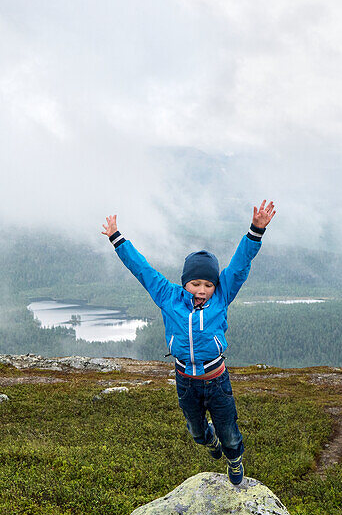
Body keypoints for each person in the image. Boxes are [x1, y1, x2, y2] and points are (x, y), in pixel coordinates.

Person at [102, 202, 276, 485]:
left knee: (230, 432)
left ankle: (234, 459)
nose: (202, 290)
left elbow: (240, 264)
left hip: (217, 380)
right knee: (197, 433)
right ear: (185, 283)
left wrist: (256, 230)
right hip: (185, 381)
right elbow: (142, 270)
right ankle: (210, 442)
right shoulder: (168, 296)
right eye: (196, 283)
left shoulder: (222, 294)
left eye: (208, 285)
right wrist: (116, 238)